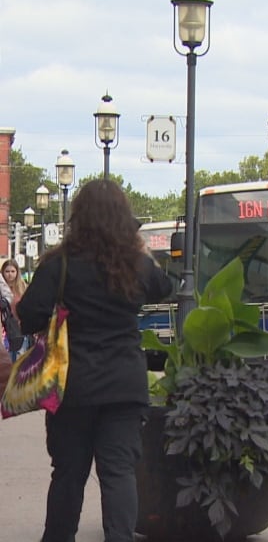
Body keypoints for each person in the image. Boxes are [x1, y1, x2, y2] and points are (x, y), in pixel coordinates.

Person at [17, 179, 173, 542]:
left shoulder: (61, 264)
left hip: (73, 386)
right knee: (119, 472)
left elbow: (28, 314)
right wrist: (141, 249)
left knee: (68, 473)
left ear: (79, 217)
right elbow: (165, 288)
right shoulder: (134, 264)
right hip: (124, 385)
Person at [2, 258, 29, 360]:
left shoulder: (23, 287)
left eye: (12, 271)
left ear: (17, 272)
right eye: (7, 271)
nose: (10, 274)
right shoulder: (2, 288)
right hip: (4, 330)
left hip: (20, 329)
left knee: (20, 360)